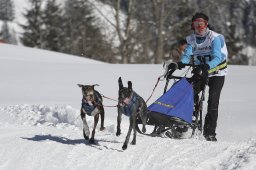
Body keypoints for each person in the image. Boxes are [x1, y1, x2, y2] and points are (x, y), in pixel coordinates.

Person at [176, 12, 228, 141]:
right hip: (200, 72)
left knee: (212, 103)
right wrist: (182, 62)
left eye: (202, 24)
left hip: (217, 73)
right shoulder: (192, 39)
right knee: (188, 95)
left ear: (207, 24)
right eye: (196, 24)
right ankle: (187, 124)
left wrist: (207, 66)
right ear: (192, 26)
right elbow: (188, 53)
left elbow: (217, 57)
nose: (200, 27)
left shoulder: (215, 38)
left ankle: (209, 134)